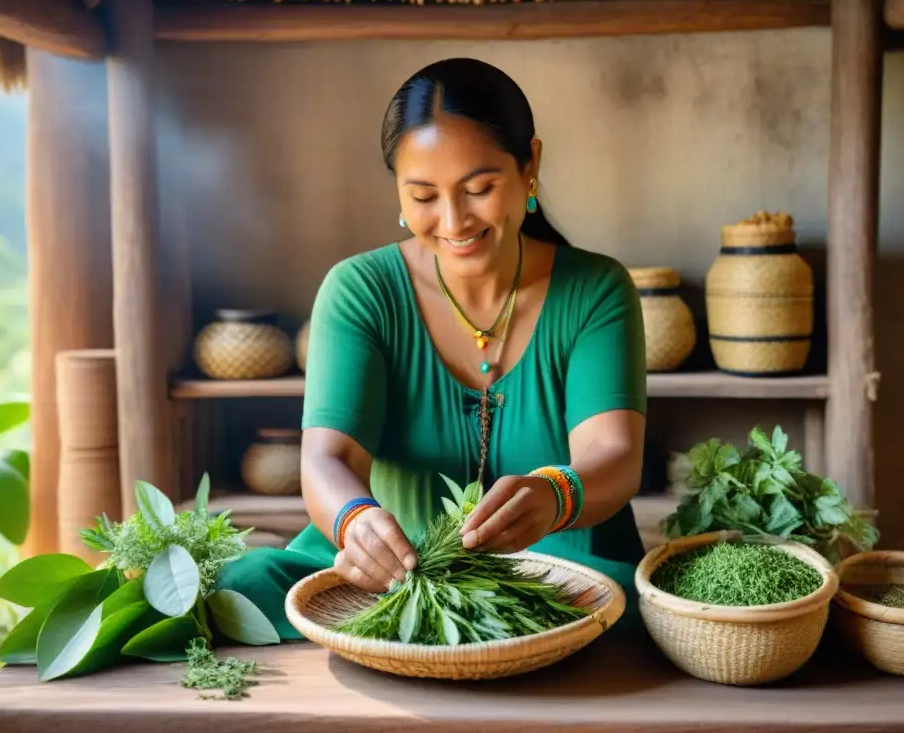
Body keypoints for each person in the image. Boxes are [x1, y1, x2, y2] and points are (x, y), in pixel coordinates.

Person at [218, 57, 648, 640]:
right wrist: (357, 522)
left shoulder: (596, 290)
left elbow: (614, 454)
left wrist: (553, 494)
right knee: (241, 584)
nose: (453, 220)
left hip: (563, 578)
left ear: (530, 167)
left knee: (630, 611)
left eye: (479, 188)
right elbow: (328, 459)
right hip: (394, 581)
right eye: (423, 195)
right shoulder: (361, 290)